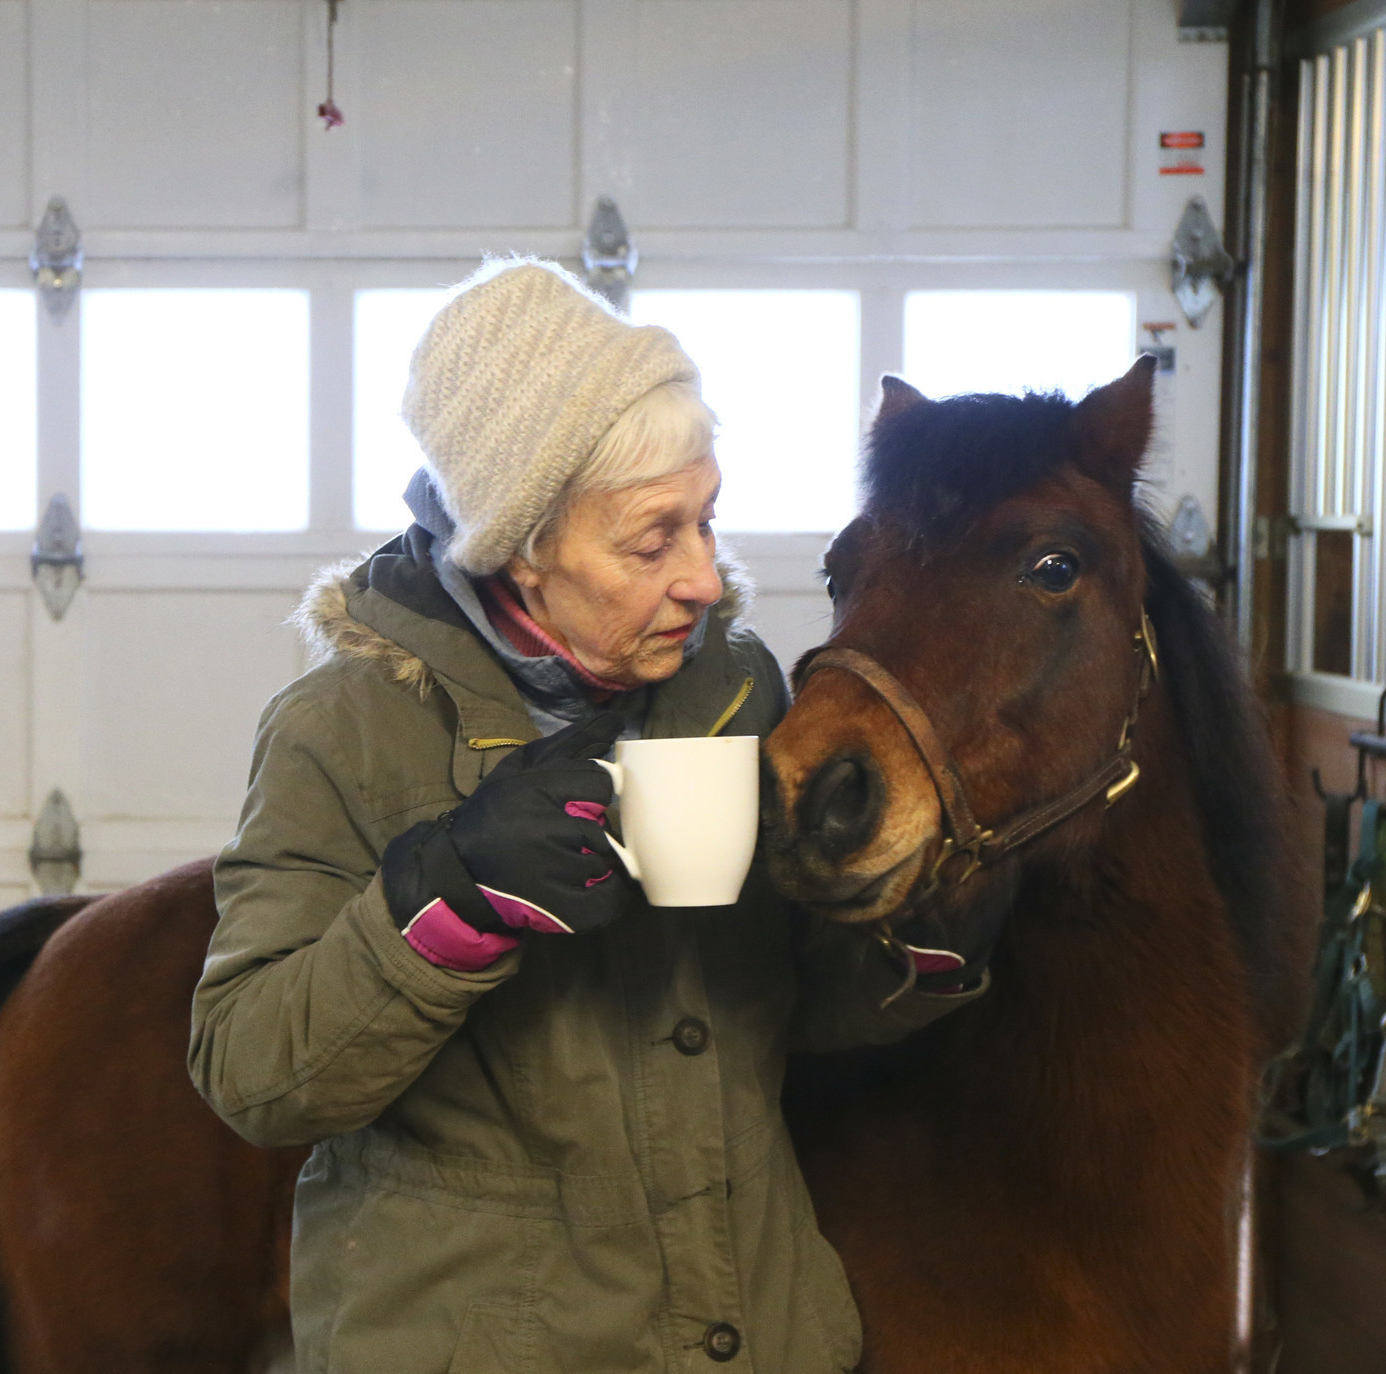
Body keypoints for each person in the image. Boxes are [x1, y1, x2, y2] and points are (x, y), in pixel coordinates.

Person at [188, 259, 988, 1374]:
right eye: (652, 540)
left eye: (707, 522)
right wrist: (446, 901)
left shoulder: (736, 689)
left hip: (760, 1337)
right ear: (521, 546)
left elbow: (785, 1003)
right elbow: (252, 1076)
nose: (705, 579)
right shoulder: (346, 729)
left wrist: (929, 926)